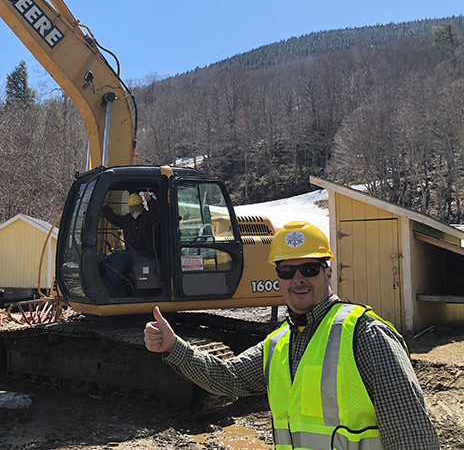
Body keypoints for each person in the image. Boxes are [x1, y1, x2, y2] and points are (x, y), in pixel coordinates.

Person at [144, 221, 439, 450]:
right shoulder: (279, 343)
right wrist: (175, 347)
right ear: (278, 279)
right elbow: (229, 378)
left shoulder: (366, 335)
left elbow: (410, 431)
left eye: (309, 268)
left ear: (328, 273)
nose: (298, 279)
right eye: (287, 271)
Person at [101, 191, 160, 295]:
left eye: (137, 207)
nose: (134, 210)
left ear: (142, 206)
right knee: (107, 258)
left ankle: (107, 286)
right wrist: (105, 207)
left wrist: (150, 201)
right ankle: (119, 285)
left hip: (145, 253)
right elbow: (114, 218)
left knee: (121, 258)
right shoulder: (128, 220)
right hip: (132, 253)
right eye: (132, 208)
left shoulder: (148, 218)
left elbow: (157, 213)